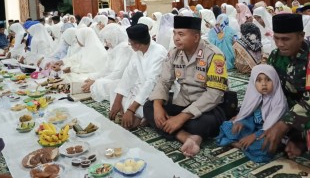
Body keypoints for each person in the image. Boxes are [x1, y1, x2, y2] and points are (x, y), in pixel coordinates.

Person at [143, 16, 228, 157]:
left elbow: (214, 95)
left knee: (202, 124)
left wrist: (181, 117)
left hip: (207, 108)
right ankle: (186, 136)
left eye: (181, 34)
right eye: (175, 33)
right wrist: (158, 106)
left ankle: (178, 128)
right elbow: (164, 81)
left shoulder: (214, 55)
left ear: (196, 37)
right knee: (149, 107)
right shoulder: (174, 53)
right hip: (182, 101)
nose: (176, 38)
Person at [216, 65, 288, 162]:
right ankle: (244, 144)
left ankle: (239, 144)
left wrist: (254, 136)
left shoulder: (279, 101)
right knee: (229, 126)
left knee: (265, 147)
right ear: (253, 82)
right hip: (253, 128)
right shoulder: (256, 96)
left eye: (268, 80)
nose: (264, 84)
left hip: (270, 132)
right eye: (259, 80)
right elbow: (249, 115)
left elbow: (270, 127)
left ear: (275, 80)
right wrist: (241, 121)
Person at [263, 13, 310, 158]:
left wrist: (283, 124)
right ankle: (293, 140)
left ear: (301, 36)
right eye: (276, 38)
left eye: (285, 39)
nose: (280, 44)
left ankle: (299, 142)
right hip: (285, 111)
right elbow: (268, 89)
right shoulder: (275, 56)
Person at [109, 24, 167, 129]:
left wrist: (131, 110)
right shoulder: (138, 52)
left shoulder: (159, 53)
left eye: (130, 43)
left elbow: (151, 83)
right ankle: (135, 115)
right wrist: (117, 102)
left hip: (157, 91)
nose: (129, 45)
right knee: (115, 89)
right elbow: (128, 75)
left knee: (145, 105)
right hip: (142, 86)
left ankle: (140, 116)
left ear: (137, 45)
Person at [82, 24, 133, 101]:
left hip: (121, 81)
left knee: (100, 84)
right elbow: (106, 69)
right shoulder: (114, 48)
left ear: (113, 37)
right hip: (113, 78)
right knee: (92, 80)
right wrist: (94, 78)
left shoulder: (124, 48)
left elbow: (118, 74)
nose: (105, 43)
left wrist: (96, 82)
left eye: (106, 40)